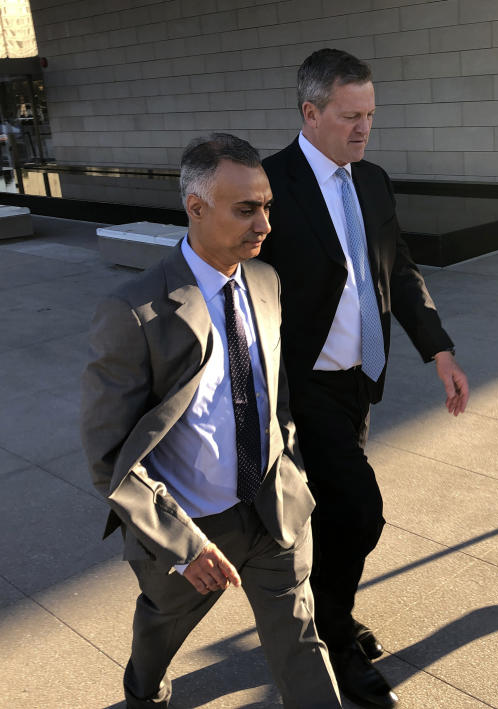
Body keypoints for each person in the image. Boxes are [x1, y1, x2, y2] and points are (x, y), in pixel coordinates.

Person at [80, 133, 341, 709]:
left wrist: (290, 471)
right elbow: (108, 457)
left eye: (267, 206)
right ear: (196, 207)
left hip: (274, 510)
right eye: (246, 208)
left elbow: (277, 401)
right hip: (190, 529)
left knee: (301, 642)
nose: (264, 223)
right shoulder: (134, 311)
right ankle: (143, 693)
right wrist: (180, 543)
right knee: (160, 629)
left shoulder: (268, 283)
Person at [258, 48, 469, 708]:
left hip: (361, 381)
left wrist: (438, 349)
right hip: (304, 384)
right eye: (350, 115)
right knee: (361, 509)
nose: (363, 128)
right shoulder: (269, 184)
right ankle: (335, 639)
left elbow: (398, 270)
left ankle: (330, 612)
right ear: (310, 112)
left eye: (371, 115)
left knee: (338, 510)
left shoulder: (373, 180)